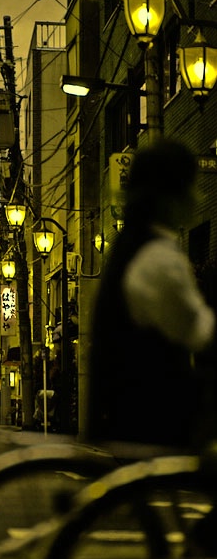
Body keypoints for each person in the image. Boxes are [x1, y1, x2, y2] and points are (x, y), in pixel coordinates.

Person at [87, 139, 215, 448]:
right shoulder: (159, 259)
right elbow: (198, 331)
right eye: (189, 187)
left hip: (128, 413)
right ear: (169, 198)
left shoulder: (130, 247)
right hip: (157, 419)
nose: (198, 196)